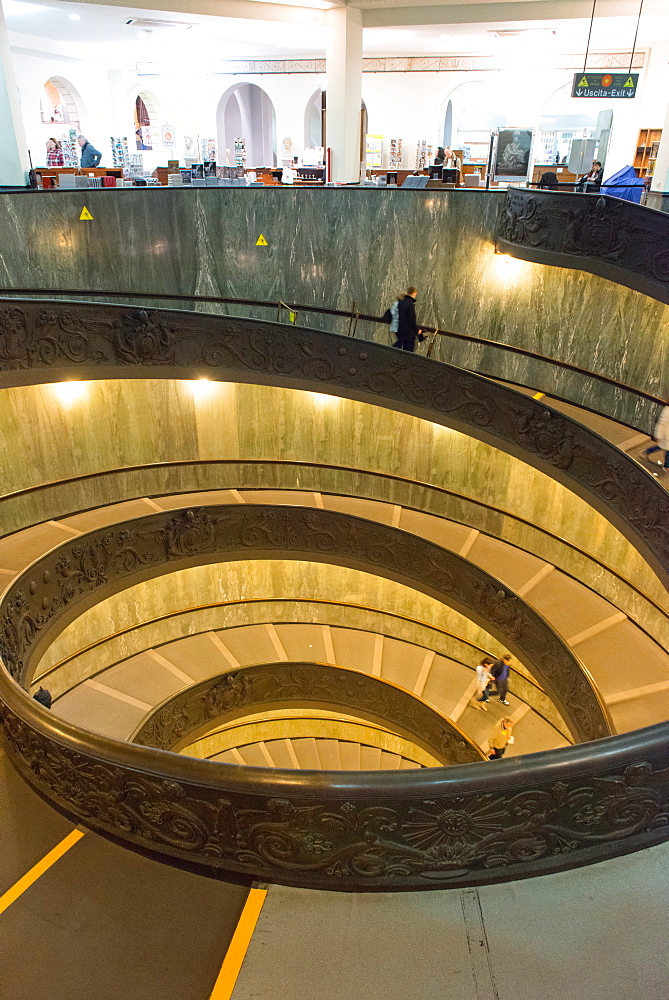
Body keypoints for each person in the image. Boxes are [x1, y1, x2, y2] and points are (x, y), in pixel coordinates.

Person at [641, 402, 669, 473]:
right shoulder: (667, 411)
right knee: (667, 449)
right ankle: (666, 466)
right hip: (665, 435)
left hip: (666, 435)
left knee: (661, 447)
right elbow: (661, 424)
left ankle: (647, 451)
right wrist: (658, 435)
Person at [395, 287, 424, 352]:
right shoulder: (410, 304)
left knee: (402, 351)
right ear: (414, 293)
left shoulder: (401, 303)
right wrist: (418, 330)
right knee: (409, 352)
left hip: (400, 330)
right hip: (408, 334)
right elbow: (412, 320)